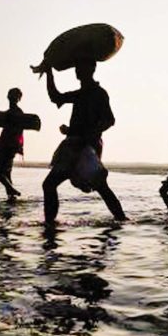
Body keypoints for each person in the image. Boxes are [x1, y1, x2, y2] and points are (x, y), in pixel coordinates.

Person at [40, 61, 126, 224]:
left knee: (101, 187)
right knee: (49, 185)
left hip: (87, 149)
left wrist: (89, 132)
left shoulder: (99, 93)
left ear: (91, 70)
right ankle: (49, 224)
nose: (78, 72)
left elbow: (109, 120)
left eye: (82, 68)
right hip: (72, 146)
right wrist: (49, 73)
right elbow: (55, 97)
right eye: (77, 69)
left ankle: (121, 220)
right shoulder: (80, 94)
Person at [0, 88, 25, 200]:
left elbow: (18, 132)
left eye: (15, 96)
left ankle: (11, 189)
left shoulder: (16, 113)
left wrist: (17, 146)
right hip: (9, 147)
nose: (12, 98)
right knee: (6, 173)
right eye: (11, 95)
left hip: (8, 147)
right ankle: (11, 198)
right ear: (8, 96)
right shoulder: (10, 113)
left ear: (19, 99)